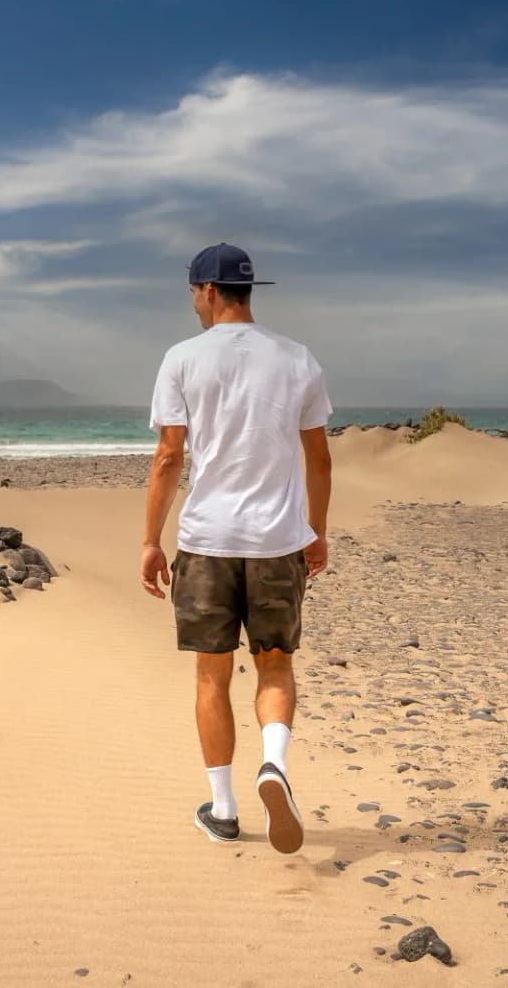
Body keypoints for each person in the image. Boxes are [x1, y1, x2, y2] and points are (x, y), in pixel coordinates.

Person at [141, 242, 333, 853]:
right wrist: (317, 531)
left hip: (208, 540)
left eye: (193, 293)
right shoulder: (298, 358)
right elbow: (319, 457)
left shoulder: (182, 359)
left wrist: (150, 539)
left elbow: (170, 454)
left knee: (211, 675)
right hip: (278, 540)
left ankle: (223, 810)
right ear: (247, 291)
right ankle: (272, 762)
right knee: (275, 662)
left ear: (207, 291)